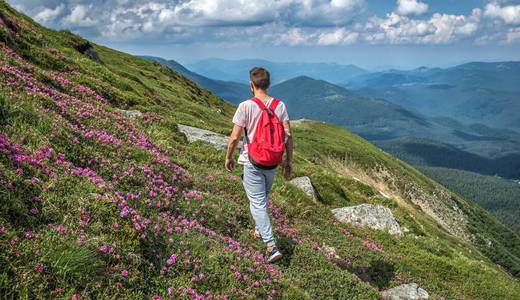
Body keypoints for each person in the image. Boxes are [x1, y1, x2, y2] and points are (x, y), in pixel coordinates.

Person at [225, 67, 293, 263]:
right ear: (269, 84)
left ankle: (271, 246)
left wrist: (229, 157)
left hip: (253, 161)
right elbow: (288, 136)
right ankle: (258, 230)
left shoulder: (245, 106)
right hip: (273, 161)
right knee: (262, 198)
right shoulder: (280, 106)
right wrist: (288, 161)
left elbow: (235, 137)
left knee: (258, 202)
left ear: (251, 85)